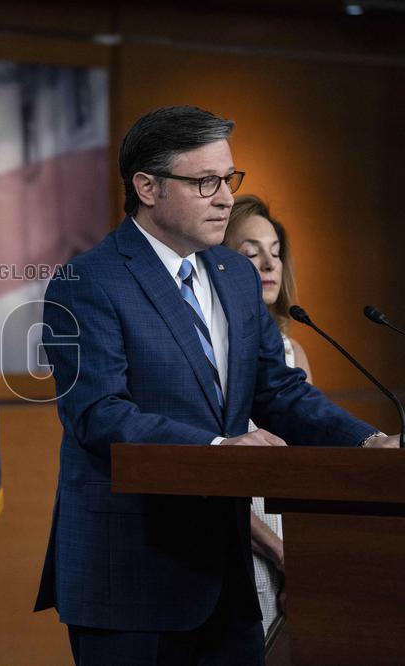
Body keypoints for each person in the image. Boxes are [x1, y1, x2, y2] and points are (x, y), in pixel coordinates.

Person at [34, 105, 398, 665]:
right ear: (147, 187)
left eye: (229, 179)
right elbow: (99, 414)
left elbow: (277, 391)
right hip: (130, 574)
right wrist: (219, 450)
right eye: (205, 182)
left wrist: (365, 443)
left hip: (225, 579)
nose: (225, 197)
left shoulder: (234, 276)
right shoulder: (89, 281)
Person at [223, 195, 310, 633]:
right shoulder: (212, 347)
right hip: (238, 528)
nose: (269, 265)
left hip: (287, 527)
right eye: (251, 254)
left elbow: (307, 464)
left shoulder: (295, 351)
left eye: (275, 253)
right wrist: (277, 549)